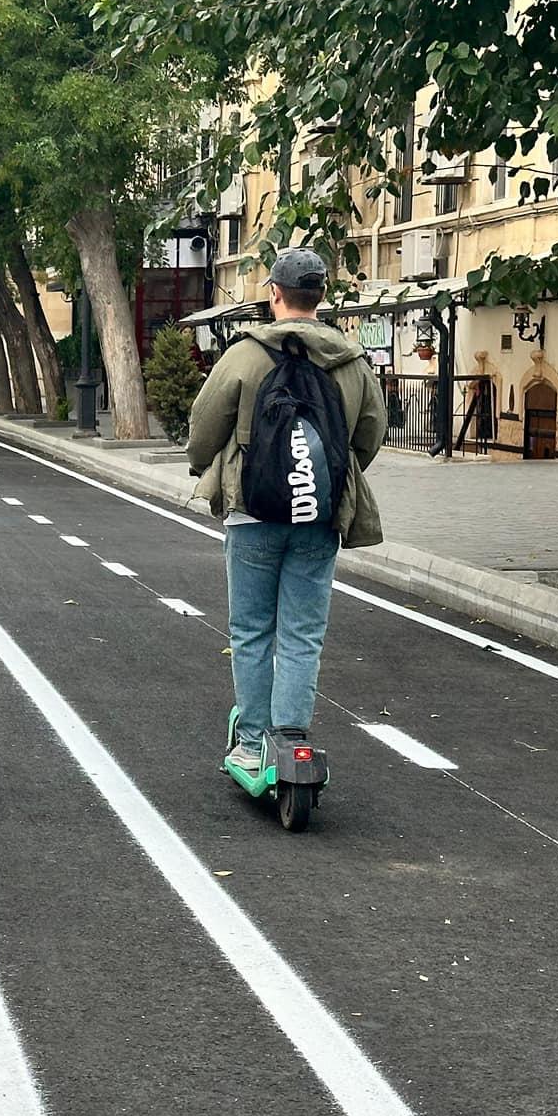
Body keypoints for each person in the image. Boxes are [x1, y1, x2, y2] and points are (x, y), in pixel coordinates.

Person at [186, 248, 385, 770]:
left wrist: (203, 465)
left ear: (274, 293)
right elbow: (371, 434)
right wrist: (326, 475)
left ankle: (252, 744)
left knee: (252, 631)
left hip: (252, 513)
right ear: (322, 296)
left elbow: (204, 427)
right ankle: (290, 739)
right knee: (302, 633)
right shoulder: (351, 360)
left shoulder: (246, 355)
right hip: (319, 515)